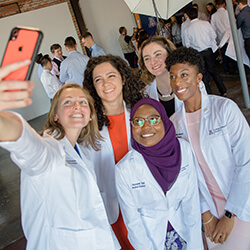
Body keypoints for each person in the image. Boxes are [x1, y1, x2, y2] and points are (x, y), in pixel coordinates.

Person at [0, 60, 118, 249]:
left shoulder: (83, 152)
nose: (77, 106)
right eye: (68, 103)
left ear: (89, 116)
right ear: (55, 115)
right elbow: (22, 141)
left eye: (82, 102)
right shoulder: (49, 151)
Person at [166, 47, 250, 250]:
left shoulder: (225, 109)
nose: (177, 82)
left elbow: (246, 161)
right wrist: (206, 216)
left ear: (199, 78)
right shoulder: (174, 124)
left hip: (241, 201)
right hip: (209, 212)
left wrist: (230, 214)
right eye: (172, 76)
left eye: (184, 75)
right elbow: (186, 177)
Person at [115, 97, 203, 249]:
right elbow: (133, 222)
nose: (146, 126)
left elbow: (191, 201)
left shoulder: (184, 149)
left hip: (185, 233)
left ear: (164, 120)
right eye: (138, 121)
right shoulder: (124, 169)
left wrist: (195, 243)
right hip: (151, 240)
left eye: (154, 119)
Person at [83, 55, 145, 249]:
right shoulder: (87, 124)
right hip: (114, 208)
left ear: (123, 78)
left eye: (111, 76)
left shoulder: (142, 111)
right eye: (98, 80)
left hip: (145, 199)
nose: (105, 83)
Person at [183, 7, 227, 96]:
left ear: (187, 16)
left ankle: (208, 93)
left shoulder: (187, 29)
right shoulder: (206, 24)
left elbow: (186, 45)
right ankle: (223, 90)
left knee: (202, 74)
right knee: (214, 71)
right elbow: (214, 35)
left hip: (197, 54)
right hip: (208, 51)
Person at [139, 36, 182, 117]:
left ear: (170, 54)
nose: (152, 62)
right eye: (147, 58)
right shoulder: (146, 94)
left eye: (158, 54)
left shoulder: (191, 83)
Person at [211, 0, 238, 74]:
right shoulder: (228, 13)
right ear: (224, 4)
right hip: (231, 37)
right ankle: (236, 69)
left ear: (216, 5)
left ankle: (227, 70)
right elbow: (235, 24)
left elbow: (213, 29)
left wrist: (216, 40)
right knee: (233, 54)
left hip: (221, 38)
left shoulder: (214, 16)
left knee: (224, 55)